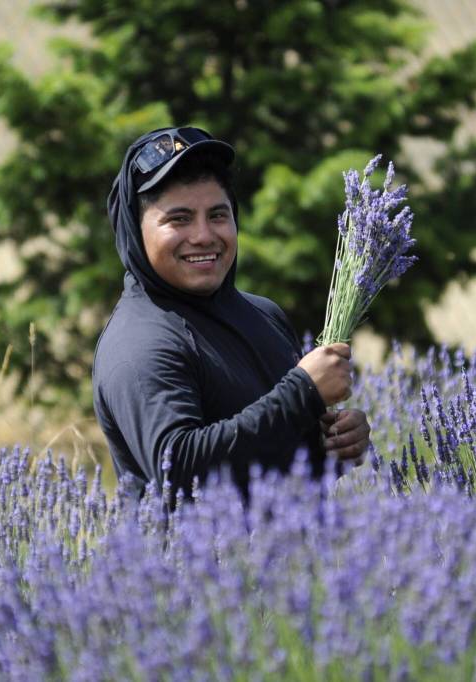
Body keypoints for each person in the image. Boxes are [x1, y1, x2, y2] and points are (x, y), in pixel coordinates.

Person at [93, 126, 370, 499]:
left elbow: (269, 455)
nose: (204, 235)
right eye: (179, 219)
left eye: (218, 215)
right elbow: (178, 467)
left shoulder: (264, 315)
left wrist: (331, 443)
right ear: (135, 231)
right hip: (198, 559)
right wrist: (303, 393)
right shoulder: (139, 343)